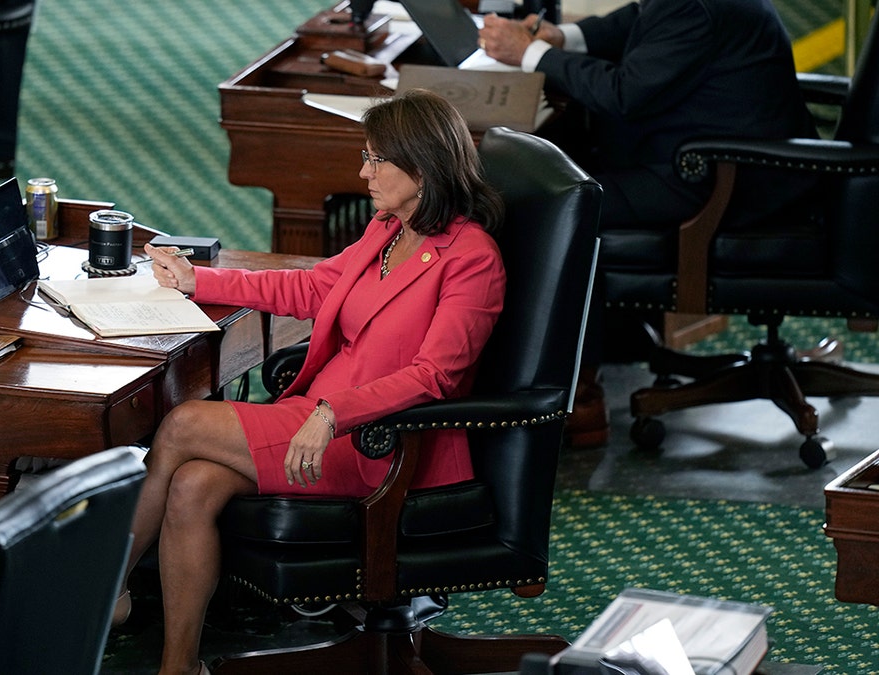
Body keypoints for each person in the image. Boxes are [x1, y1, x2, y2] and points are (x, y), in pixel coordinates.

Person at [118, 88, 507, 675]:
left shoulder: (472, 259)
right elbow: (312, 288)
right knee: (194, 483)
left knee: (183, 424)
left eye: (376, 159)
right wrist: (199, 281)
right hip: (315, 420)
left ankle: (106, 591)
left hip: (383, 445)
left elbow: (435, 377)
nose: (363, 172)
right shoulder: (387, 228)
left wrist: (333, 414)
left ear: (423, 167)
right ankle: (179, 667)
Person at [478, 0, 817, 446]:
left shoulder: (693, 9)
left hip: (724, 183)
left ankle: (579, 399)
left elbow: (622, 94)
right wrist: (566, 39)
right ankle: (595, 354)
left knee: (555, 204)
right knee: (563, 173)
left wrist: (531, 54)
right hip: (713, 161)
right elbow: (641, 18)